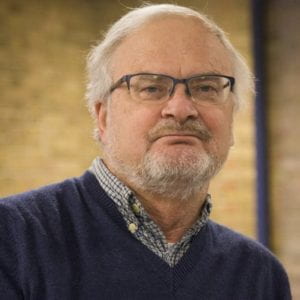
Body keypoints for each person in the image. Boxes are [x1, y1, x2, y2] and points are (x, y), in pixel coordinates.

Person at [0, 3, 291, 299]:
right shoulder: (14, 240)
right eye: (151, 87)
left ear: (233, 115)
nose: (181, 109)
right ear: (103, 117)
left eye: (206, 88)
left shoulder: (258, 274)